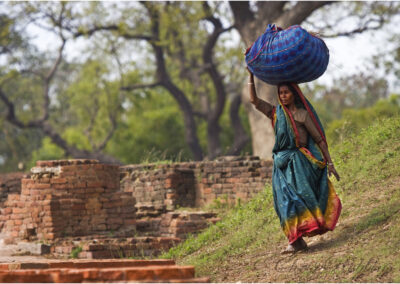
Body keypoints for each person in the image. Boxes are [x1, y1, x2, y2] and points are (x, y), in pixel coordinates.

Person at [247, 69, 342, 253]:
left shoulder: (302, 115)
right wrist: (251, 76)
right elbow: (254, 101)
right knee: (283, 203)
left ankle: (297, 238)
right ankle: (296, 240)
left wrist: (330, 163)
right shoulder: (275, 113)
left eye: (286, 92)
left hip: (298, 165)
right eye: (280, 93)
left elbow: (320, 140)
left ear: (294, 94)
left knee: (297, 200)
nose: (283, 96)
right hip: (280, 166)